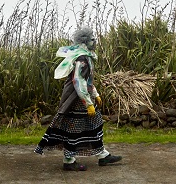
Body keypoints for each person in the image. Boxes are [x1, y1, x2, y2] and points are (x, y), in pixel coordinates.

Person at [34, 26, 122, 171]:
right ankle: (69, 160)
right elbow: (78, 81)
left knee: (94, 126)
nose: (95, 41)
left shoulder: (87, 57)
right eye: (92, 39)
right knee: (74, 130)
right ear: (85, 41)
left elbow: (88, 81)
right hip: (76, 101)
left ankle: (103, 156)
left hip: (83, 99)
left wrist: (96, 95)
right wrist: (88, 103)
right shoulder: (82, 59)